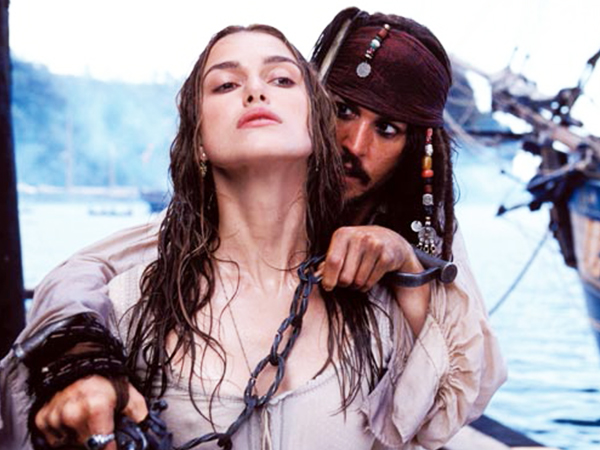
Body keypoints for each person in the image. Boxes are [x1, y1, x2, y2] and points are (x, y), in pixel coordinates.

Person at [0, 8, 506, 450]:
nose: (354, 144)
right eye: (343, 110)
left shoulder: (401, 275)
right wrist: (78, 358)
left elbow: (457, 397)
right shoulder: (146, 287)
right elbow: (86, 271)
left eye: (388, 129)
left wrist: (405, 262)